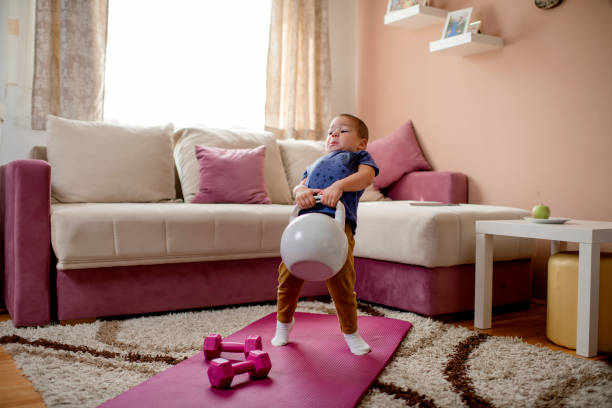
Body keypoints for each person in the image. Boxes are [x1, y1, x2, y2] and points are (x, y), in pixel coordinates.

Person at [271, 113, 379, 355]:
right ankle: (283, 325)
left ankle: (350, 332)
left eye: (342, 131)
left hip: (337, 227)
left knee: (341, 283)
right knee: (287, 279)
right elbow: (301, 185)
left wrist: (339, 186)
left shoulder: (357, 158)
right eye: (331, 131)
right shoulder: (315, 163)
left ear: (361, 142)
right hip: (304, 226)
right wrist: (300, 191)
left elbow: (366, 176)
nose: (334, 134)